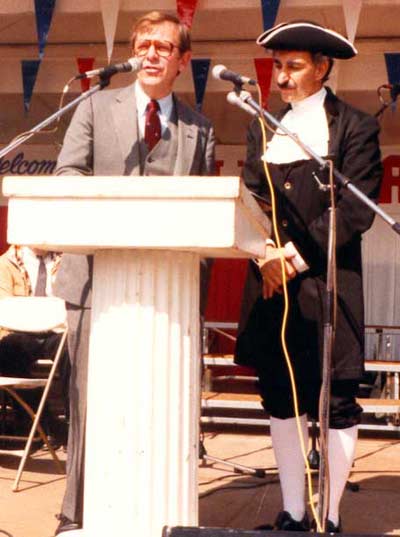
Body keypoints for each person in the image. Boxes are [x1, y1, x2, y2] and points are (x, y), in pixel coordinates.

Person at [52, 10, 215, 535]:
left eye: (163, 47)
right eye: (143, 44)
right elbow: (68, 174)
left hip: (169, 293)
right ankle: (76, 515)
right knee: (89, 402)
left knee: (159, 404)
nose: (149, 54)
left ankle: (164, 512)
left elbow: (206, 215)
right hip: (95, 281)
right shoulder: (95, 106)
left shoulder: (200, 128)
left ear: (183, 61)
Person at [235, 21, 382, 532]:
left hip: (328, 283)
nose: (281, 77)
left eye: (293, 66)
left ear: (322, 68)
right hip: (270, 280)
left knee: (336, 398)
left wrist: (292, 258)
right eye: (278, 66)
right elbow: (251, 200)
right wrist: (263, 255)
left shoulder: (356, 129)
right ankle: (293, 512)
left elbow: (354, 211)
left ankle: (331, 517)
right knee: (280, 393)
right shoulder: (261, 127)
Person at [0, 245, 67, 444]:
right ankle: (40, 422)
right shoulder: (6, 263)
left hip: (57, 331)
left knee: (73, 353)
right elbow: (4, 305)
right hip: (20, 332)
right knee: (6, 351)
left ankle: (73, 423)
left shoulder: (65, 261)